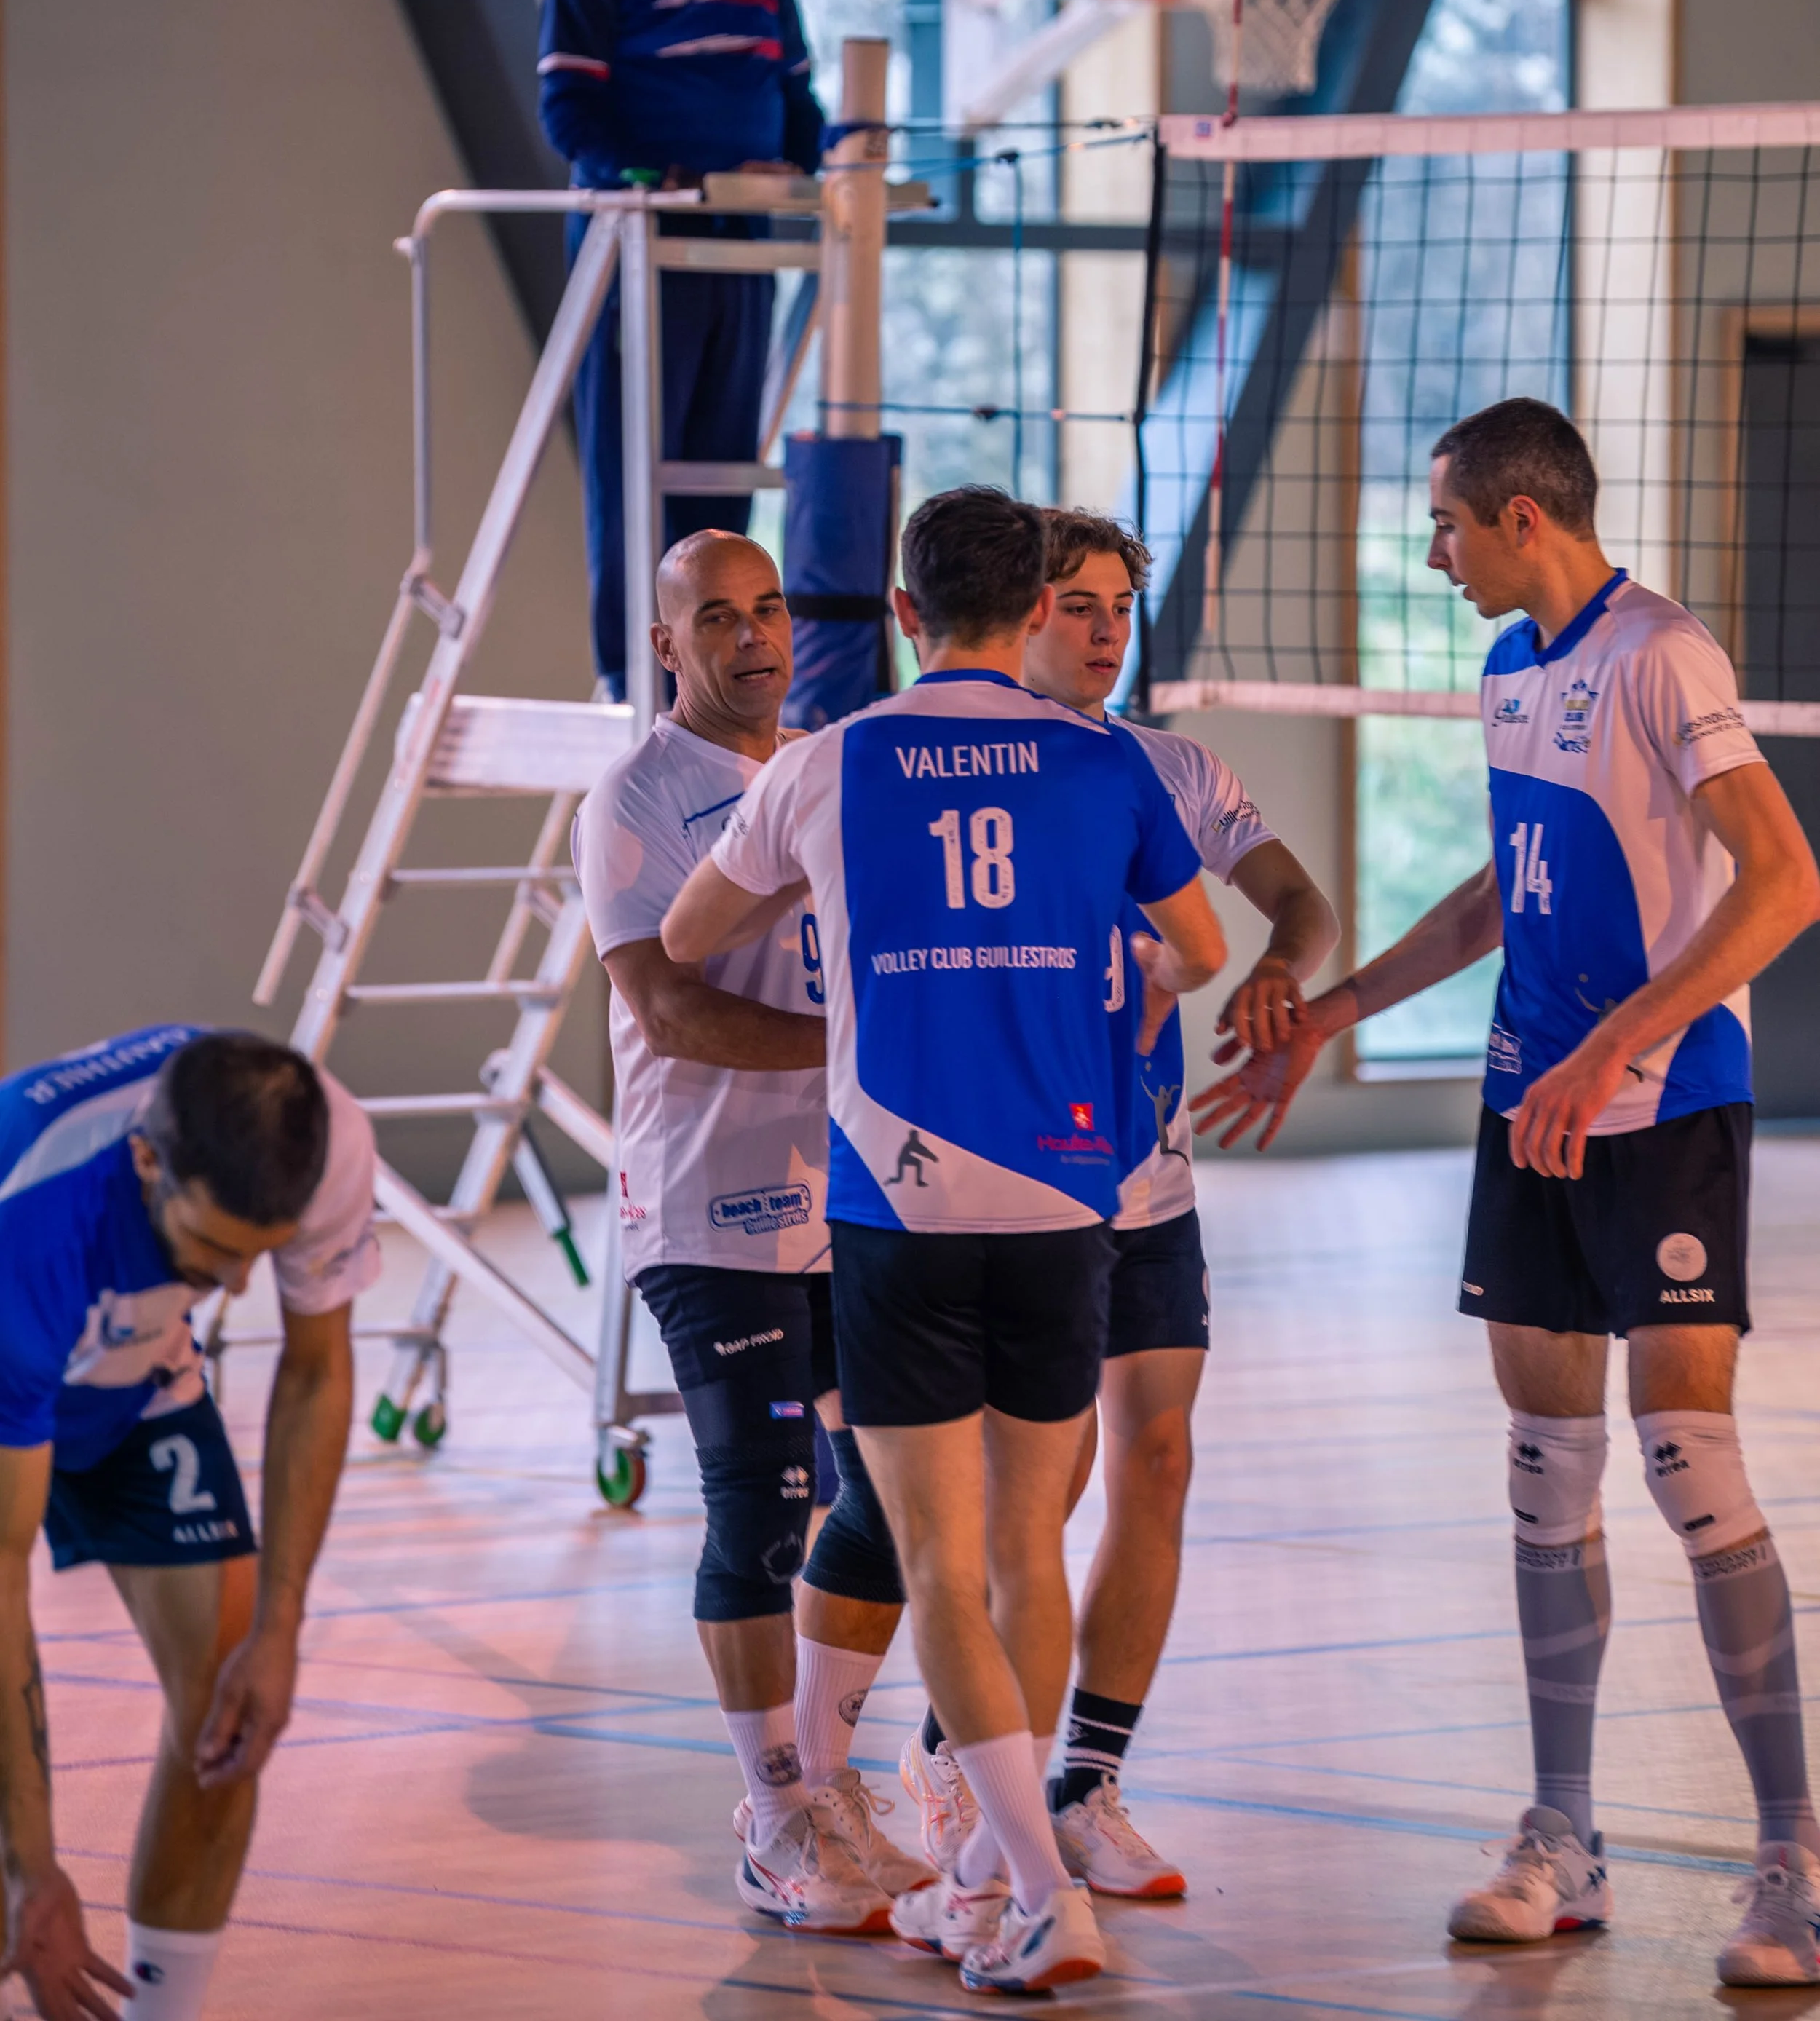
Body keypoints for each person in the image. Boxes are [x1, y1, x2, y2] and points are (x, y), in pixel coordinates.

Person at [1200, 397, 1820, 1990]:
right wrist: (1328, 1022)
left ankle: (1791, 1861)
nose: (1431, 552)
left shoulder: (1657, 656)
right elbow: (1497, 891)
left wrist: (1611, 1044)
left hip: (1660, 1105)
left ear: (1521, 520)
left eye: (1446, 527)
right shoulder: (1504, 672)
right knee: (1545, 1474)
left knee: (1685, 1463)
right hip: (1522, 1108)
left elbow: (1784, 879)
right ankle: (1562, 1834)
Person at [662, 485, 1228, 1996]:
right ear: (1035, 606)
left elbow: (685, 939)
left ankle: (1035, 1891)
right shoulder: (1104, 768)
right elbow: (1204, 944)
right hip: (1064, 1203)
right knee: (1028, 1545)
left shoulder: (829, 765)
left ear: (902, 615)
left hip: (895, 1205)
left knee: (937, 1555)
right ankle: (984, 1872)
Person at [897, 508, 1337, 1902]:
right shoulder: (944, 764)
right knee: (1035, 1489)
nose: (1100, 627)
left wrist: (1276, 965)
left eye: (1116, 606)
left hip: (1143, 1180)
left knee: (1156, 1461)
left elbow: (1296, 903)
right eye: (1074, 602)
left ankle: (1086, 1779)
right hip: (1008, 1187)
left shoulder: (1166, 767)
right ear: (1018, 611)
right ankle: (962, 1757)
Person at [571, 527, 922, 1934]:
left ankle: (822, 1778)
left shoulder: (825, 765)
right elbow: (667, 1008)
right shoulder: (637, 799)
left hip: (852, 1199)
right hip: (709, 1205)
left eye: (770, 607)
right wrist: (857, 1049)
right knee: (762, 1508)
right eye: (716, 617)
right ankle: (773, 1812)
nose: (754, 635)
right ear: (669, 645)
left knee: (896, 1499)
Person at [0, 1027, 379, 2021]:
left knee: (228, 1706)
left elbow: (314, 1366)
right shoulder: (27, 1218)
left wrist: (283, 1627)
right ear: (145, 1159)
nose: (241, 1283)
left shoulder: (328, 1141)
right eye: (213, 1249)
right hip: (23, 1348)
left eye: (260, 1253)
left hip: (136, 1374)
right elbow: (3, 1583)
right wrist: (33, 1873)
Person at [538, 0, 825, 697]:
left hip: (740, 243)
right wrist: (655, 180)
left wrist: (828, 162)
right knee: (638, 472)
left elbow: (793, 98)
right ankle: (637, 674)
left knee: (723, 468)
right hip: (640, 247)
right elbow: (569, 110)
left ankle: (719, 675)